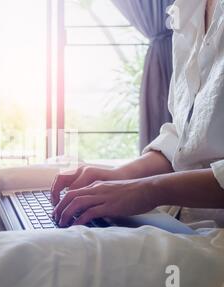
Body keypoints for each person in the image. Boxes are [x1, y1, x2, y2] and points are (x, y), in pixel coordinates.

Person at [51, 0, 224, 228]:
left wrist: (147, 190)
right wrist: (120, 175)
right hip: (176, 221)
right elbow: (184, 139)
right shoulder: (188, 8)